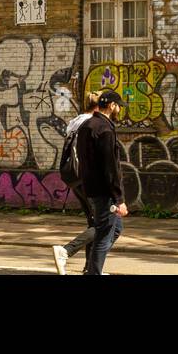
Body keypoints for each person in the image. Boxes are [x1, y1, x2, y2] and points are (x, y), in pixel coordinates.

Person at [76, 89, 128, 275]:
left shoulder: (87, 125)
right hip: (105, 191)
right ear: (112, 106)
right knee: (104, 235)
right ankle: (94, 272)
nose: (119, 111)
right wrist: (119, 198)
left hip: (90, 187)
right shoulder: (105, 129)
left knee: (114, 229)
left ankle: (92, 268)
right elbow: (110, 167)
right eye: (118, 107)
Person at [51, 91, 100, 275]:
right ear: (98, 106)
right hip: (88, 178)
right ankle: (66, 250)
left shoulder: (75, 122)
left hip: (75, 177)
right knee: (103, 223)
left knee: (93, 221)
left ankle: (90, 268)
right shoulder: (91, 123)